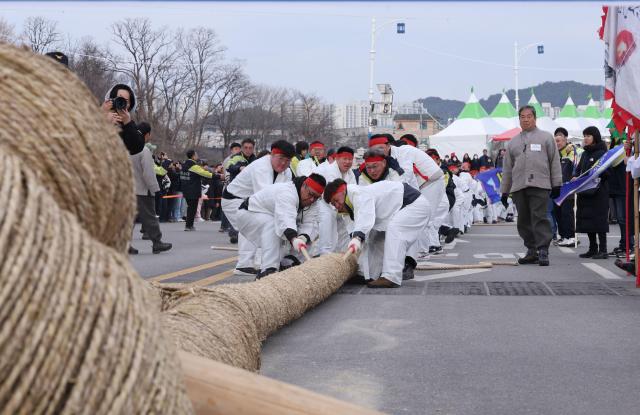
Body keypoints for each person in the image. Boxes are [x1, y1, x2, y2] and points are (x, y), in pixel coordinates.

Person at [323, 178, 432, 288]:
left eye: (336, 200)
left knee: (395, 230)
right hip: (400, 211)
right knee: (374, 238)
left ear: (342, 191)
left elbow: (365, 216)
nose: (336, 206)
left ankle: (391, 277)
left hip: (414, 205)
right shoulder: (347, 209)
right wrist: (355, 240)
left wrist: (357, 237)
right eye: (333, 204)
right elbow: (355, 231)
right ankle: (368, 274)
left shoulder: (357, 192)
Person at [222, 140, 295, 275]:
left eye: (288, 160)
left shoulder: (287, 172)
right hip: (234, 199)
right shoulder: (261, 167)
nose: (284, 163)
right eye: (281, 159)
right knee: (262, 223)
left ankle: (251, 263)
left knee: (261, 223)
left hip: (250, 201)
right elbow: (265, 200)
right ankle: (252, 264)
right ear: (272, 154)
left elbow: (284, 196)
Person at [500, 105, 562, 266]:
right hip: (519, 186)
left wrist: (557, 184)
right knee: (523, 220)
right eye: (522, 116)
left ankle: (543, 250)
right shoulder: (512, 143)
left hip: (540, 184)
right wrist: (504, 191)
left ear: (535, 118)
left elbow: (554, 161)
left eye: (529, 116)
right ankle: (531, 250)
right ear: (519, 119)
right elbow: (507, 169)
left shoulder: (546, 137)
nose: (526, 119)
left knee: (540, 217)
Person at [235, 174, 325, 279]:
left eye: (316, 197)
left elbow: (310, 223)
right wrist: (293, 238)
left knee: (305, 240)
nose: (311, 200)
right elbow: (285, 218)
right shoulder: (287, 192)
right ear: (304, 185)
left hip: (272, 217)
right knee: (274, 225)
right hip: (248, 214)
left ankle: (289, 262)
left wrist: (302, 238)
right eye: (310, 194)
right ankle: (268, 270)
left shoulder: (313, 202)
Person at [128, 140, 172, 255]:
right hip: (143, 189)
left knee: (128, 218)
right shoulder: (144, 151)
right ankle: (157, 242)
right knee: (150, 216)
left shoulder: (125, 149)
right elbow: (151, 173)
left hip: (128, 188)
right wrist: (155, 188)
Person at [312, 146, 357, 255]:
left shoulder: (351, 174)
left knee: (345, 227)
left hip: (340, 205)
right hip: (321, 203)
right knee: (327, 220)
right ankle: (324, 253)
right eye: (344, 159)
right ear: (337, 158)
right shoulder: (325, 170)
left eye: (350, 159)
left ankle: (342, 254)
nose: (347, 162)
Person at [575, 126, 610, 259]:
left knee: (599, 221)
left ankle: (603, 249)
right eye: (584, 136)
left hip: (599, 193)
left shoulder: (602, 153)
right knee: (588, 221)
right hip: (585, 192)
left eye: (588, 136)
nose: (586, 138)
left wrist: (596, 176)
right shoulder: (584, 153)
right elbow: (579, 170)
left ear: (595, 137)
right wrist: (575, 177)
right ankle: (592, 248)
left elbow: (607, 173)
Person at [225, 138, 257, 243]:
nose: (248, 150)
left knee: (247, 212)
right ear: (242, 148)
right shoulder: (236, 157)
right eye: (246, 148)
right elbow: (229, 167)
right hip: (236, 191)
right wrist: (239, 168)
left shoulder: (255, 160)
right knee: (236, 211)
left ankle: (245, 234)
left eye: (250, 148)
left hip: (249, 191)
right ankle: (234, 233)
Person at [608, 131, 633, 255]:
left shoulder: (624, 145)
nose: (609, 130)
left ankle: (628, 245)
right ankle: (624, 244)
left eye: (612, 128)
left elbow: (614, 161)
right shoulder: (615, 145)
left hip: (623, 186)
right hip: (615, 186)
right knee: (620, 218)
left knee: (624, 218)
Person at [102, 84, 145, 155]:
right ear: (111, 99)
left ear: (130, 105)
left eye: (126, 101)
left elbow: (137, 148)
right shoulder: (98, 113)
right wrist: (101, 117)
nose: (121, 102)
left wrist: (127, 123)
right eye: (119, 98)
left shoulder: (129, 124)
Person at [553, 127, 579, 247]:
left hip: (568, 189)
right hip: (557, 188)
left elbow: (576, 167)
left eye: (559, 141)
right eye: (556, 141)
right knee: (559, 213)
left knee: (567, 213)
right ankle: (563, 236)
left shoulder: (572, 151)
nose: (557, 144)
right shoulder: (556, 154)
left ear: (565, 139)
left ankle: (571, 236)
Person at [180, 149, 214, 231]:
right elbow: (205, 174)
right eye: (196, 154)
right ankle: (189, 226)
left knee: (190, 208)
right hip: (193, 190)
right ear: (193, 156)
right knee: (192, 208)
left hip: (185, 189)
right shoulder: (193, 166)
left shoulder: (183, 165)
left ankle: (189, 225)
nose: (197, 156)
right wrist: (217, 176)